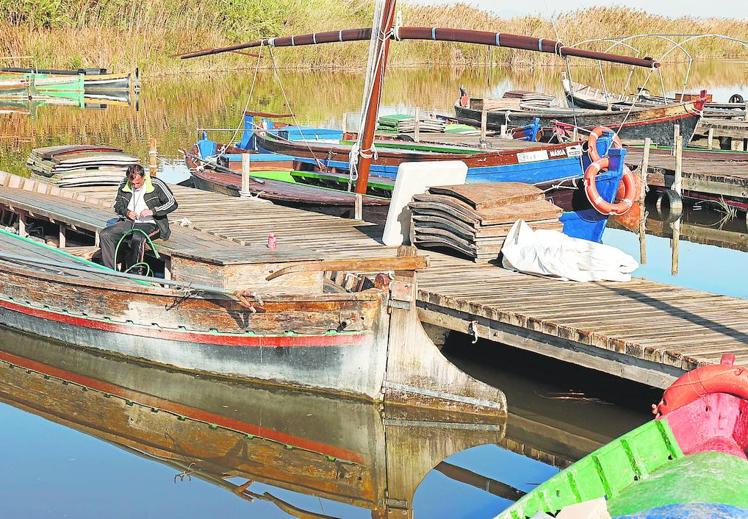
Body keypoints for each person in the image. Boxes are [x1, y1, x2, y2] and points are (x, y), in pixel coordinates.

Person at [99, 164, 178, 271]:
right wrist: (127, 212)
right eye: (132, 184)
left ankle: (135, 271)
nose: (135, 186)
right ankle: (109, 270)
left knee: (137, 238)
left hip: (152, 223)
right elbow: (117, 206)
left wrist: (153, 211)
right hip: (129, 222)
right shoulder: (123, 184)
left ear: (143, 177)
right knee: (105, 234)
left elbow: (172, 203)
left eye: (138, 183)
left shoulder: (156, 184)